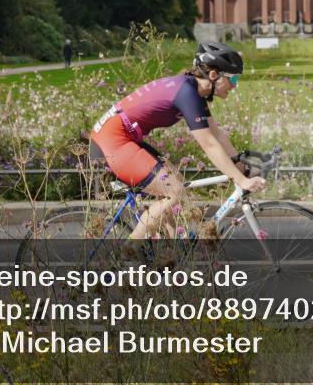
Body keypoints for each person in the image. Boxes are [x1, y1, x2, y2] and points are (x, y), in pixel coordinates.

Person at [89, 41, 266, 240]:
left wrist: (242, 167)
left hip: (121, 138)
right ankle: (129, 251)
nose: (235, 85)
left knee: (177, 188)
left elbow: (217, 135)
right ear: (214, 75)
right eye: (233, 78)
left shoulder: (194, 91)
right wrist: (240, 179)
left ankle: (170, 258)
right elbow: (209, 144)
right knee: (174, 192)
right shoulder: (187, 94)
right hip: (112, 143)